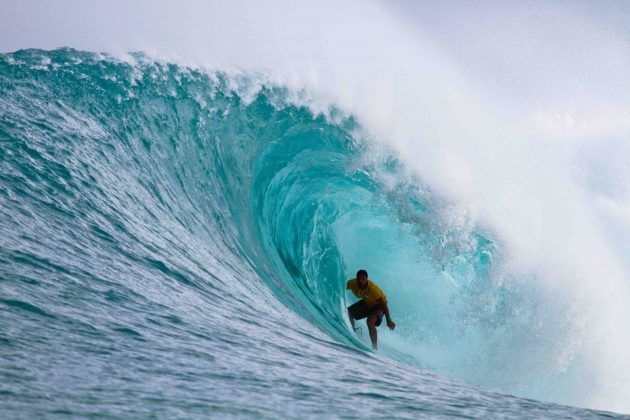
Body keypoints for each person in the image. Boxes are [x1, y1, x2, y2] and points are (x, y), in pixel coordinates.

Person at [347, 269, 395, 350]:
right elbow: (340, 285)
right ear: (356, 278)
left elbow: (383, 304)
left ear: (367, 279)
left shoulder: (373, 289)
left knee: (370, 321)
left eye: (363, 279)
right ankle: (353, 332)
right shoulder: (352, 283)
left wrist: (388, 320)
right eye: (359, 279)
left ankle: (374, 348)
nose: (360, 281)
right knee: (349, 312)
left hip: (379, 306)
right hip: (367, 303)